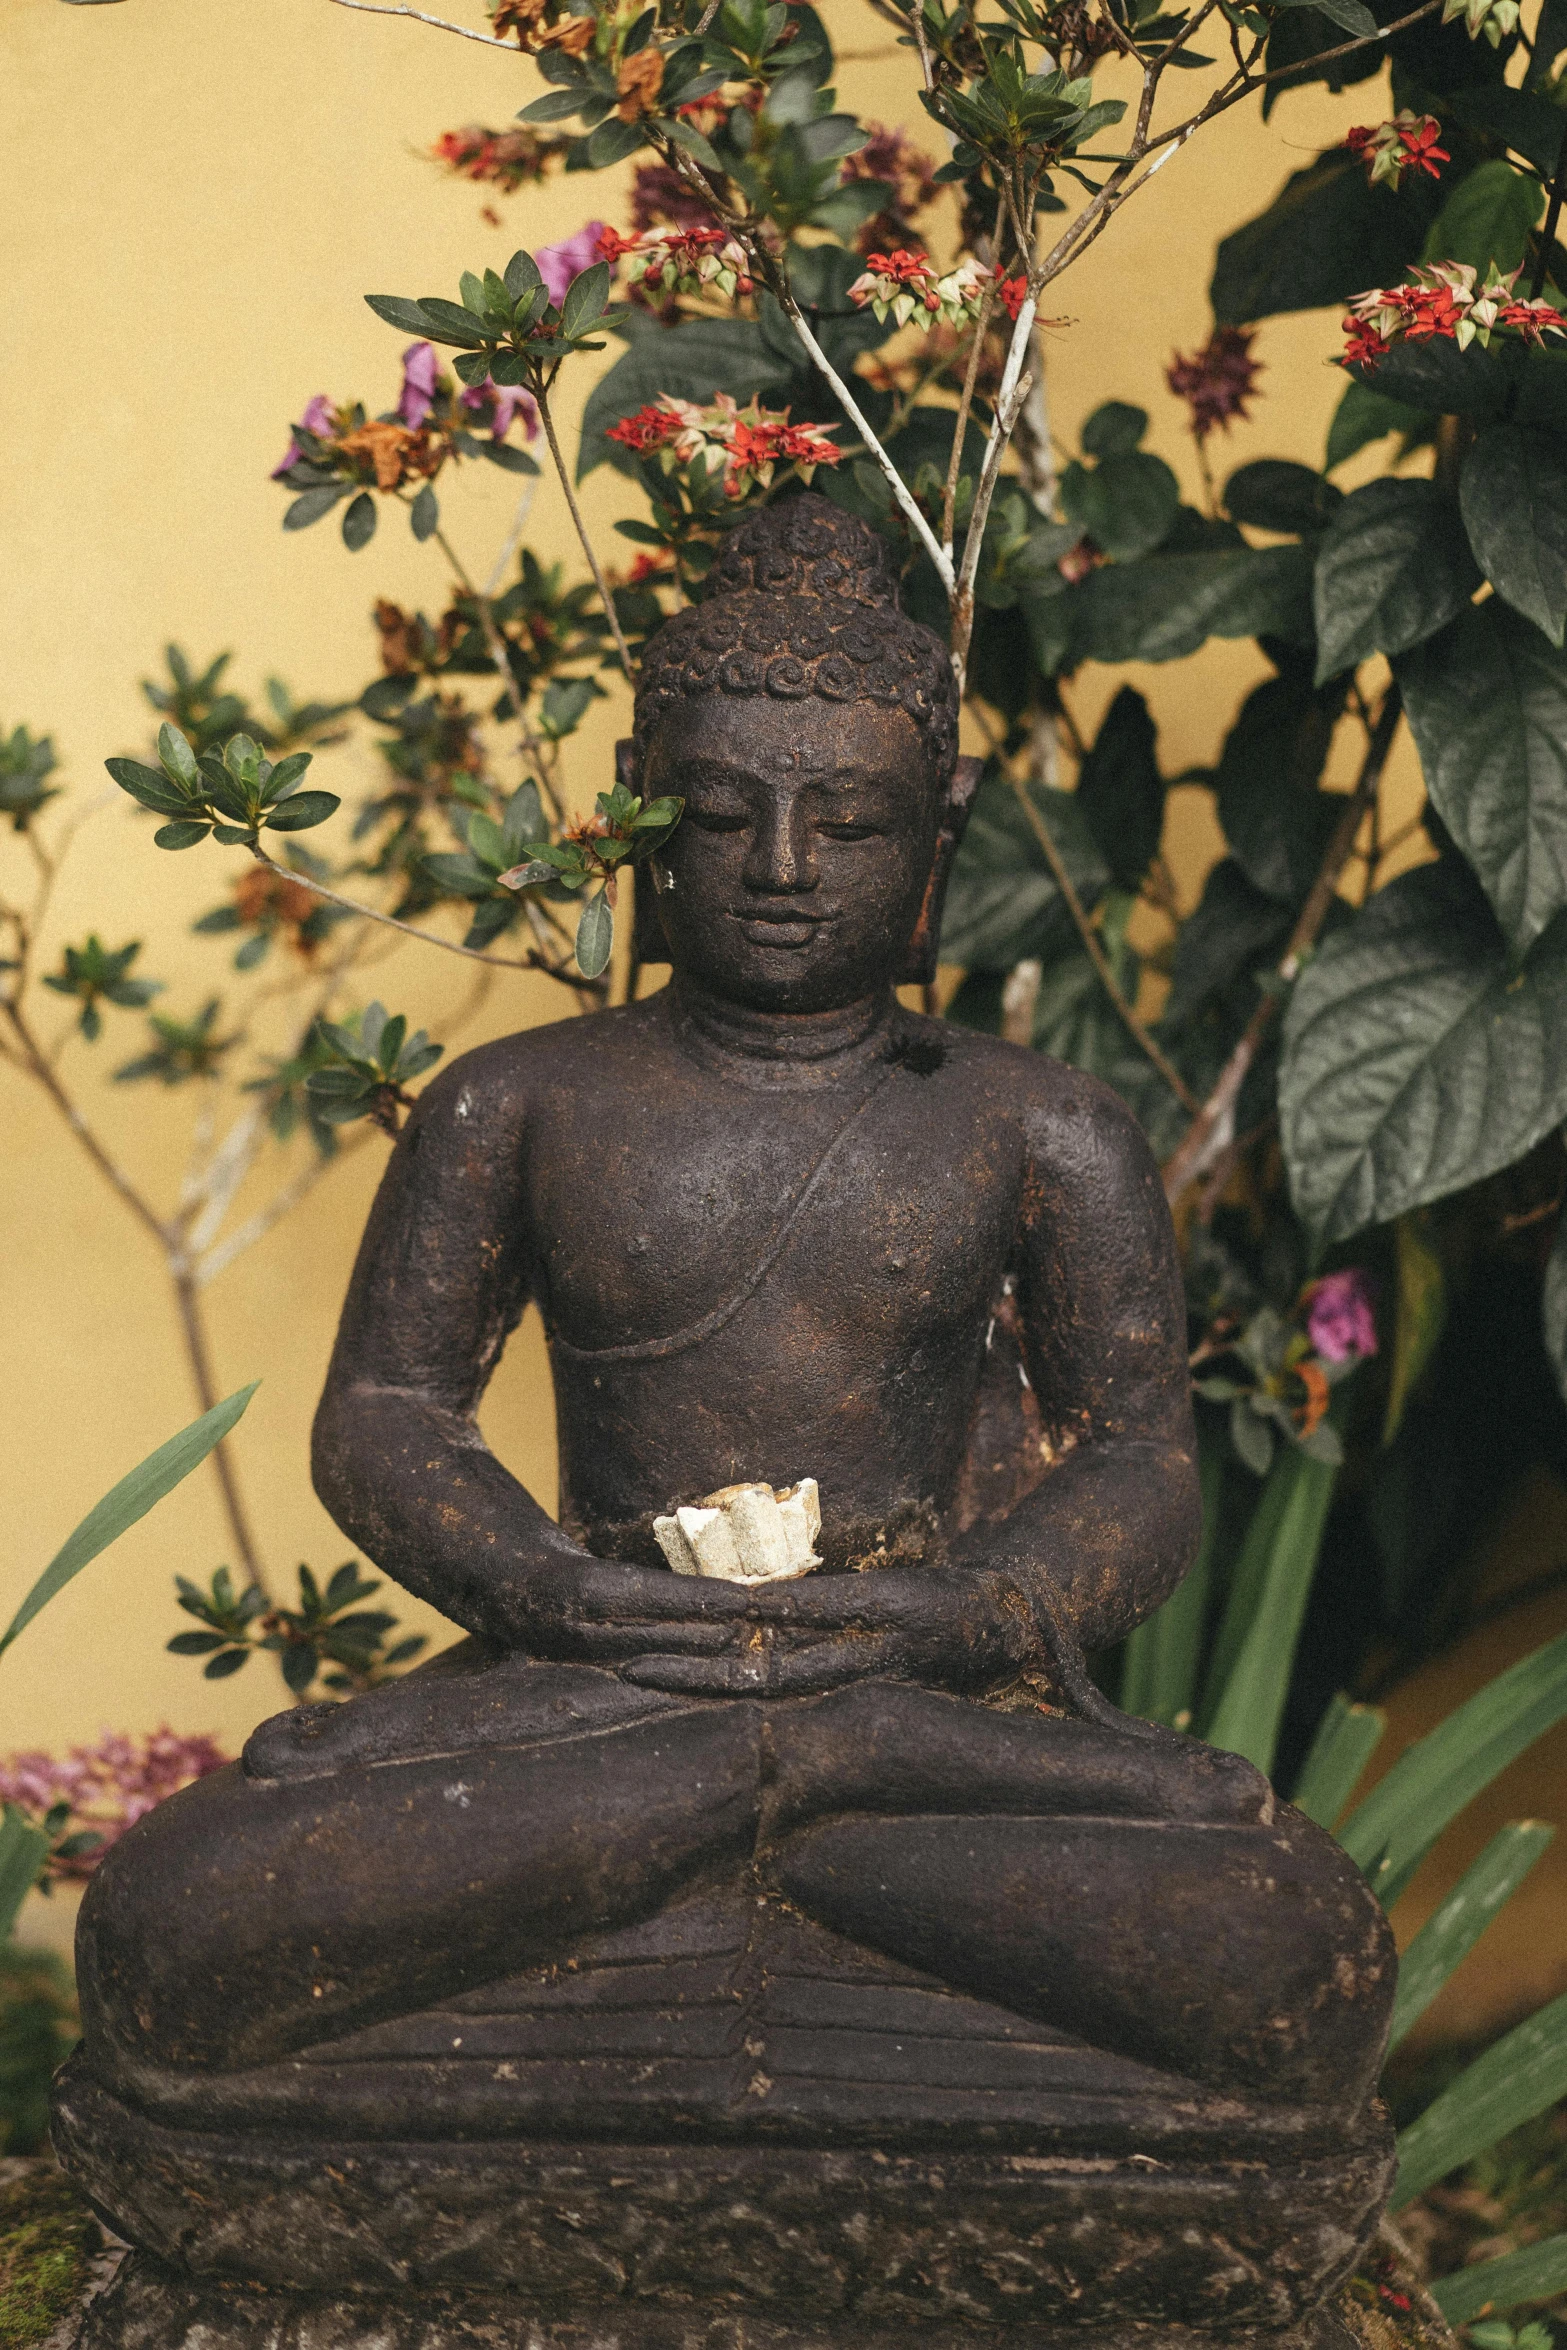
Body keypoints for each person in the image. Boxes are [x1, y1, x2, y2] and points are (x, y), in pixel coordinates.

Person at [71, 499, 1393, 2137]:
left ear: (941, 822)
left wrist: (967, 1610)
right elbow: (389, 1416)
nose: (780, 866)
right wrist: (550, 1584)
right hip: (602, 1673)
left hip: (905, 1689)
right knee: (171, 1924)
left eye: (846, 820)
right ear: (639, 816)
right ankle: (768, 1826)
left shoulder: (1036, 1123)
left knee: (1289, 1949)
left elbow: (1137, 1459)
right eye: (719, 812)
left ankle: (739, 1832)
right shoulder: (517, 1103)